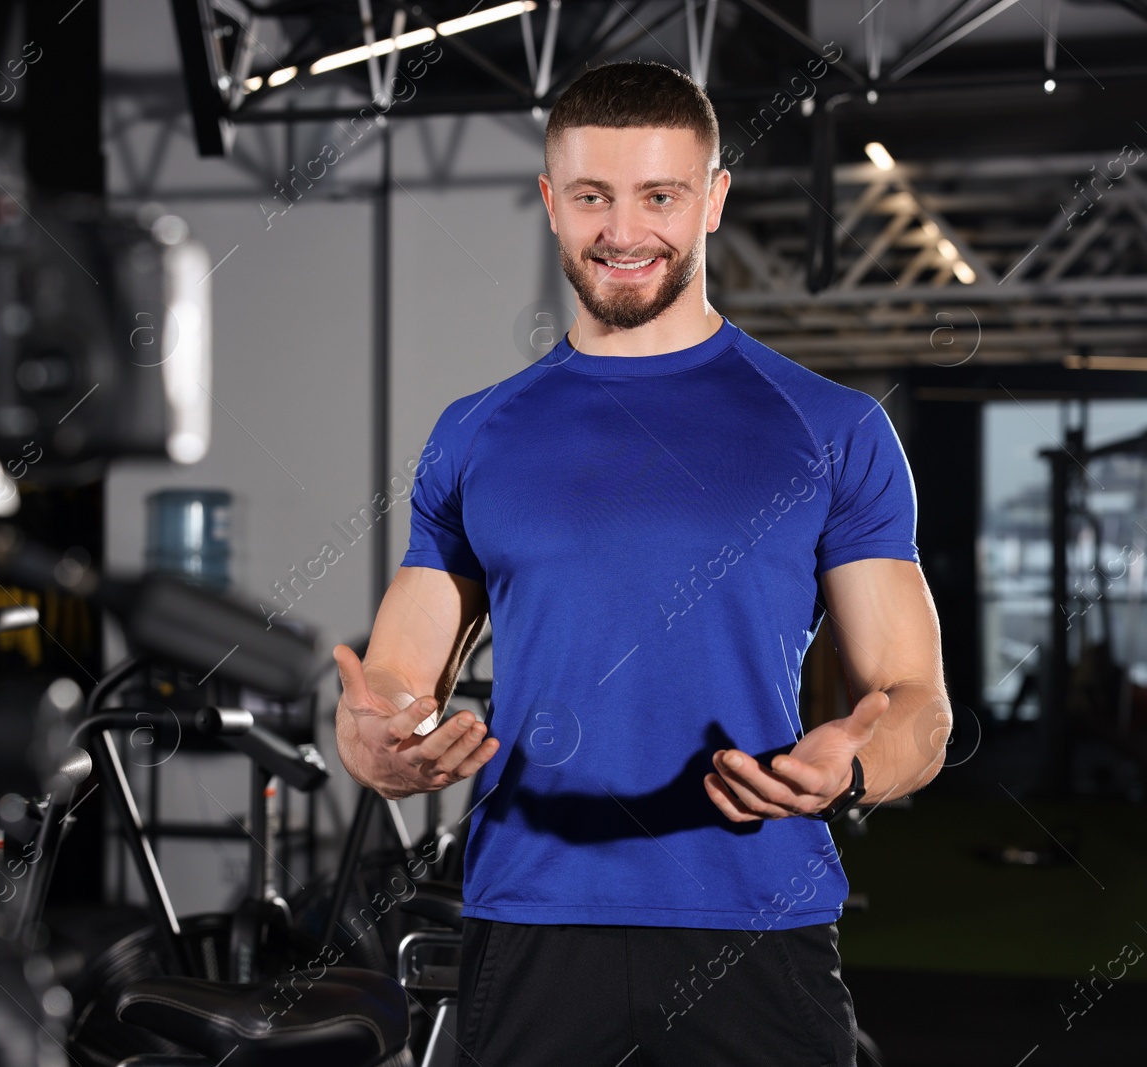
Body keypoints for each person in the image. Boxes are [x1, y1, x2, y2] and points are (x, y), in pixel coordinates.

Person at [331, 59, 951, 1066]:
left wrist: (852, 764)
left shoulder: (833, 429)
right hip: (530, 918)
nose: (621, 233)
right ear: (549, 203)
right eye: (591, 197)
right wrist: (375, 742)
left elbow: (916, 701)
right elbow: (397, 676)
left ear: (713, 199)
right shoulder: (473, 434)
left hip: (754, 922)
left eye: (658, 195)